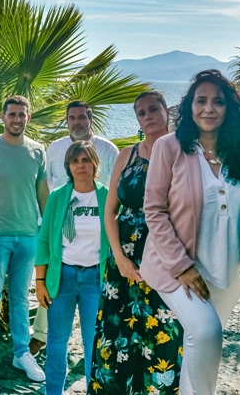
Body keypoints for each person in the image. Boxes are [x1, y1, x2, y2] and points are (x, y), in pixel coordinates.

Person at [141, 70, 240, 395]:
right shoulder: (169, 147)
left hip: (228, 269)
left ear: (229, 109)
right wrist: (182, 266)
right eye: (201, 101)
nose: (209, 108)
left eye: (218, 102)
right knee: (207, 332)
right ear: (190, 106)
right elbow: (154, 209)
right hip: (179, 267)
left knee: (202, 341)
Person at [89, 91, 184, 395]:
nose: (148, 116)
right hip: (124, 258)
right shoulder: (126, 155)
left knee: (161, 332)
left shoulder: (183, 152)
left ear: (167, 112)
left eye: (153, 109)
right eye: (141, 113)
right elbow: (110, 211)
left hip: (166, 255)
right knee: (117, 331)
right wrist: (119, 257)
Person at [32, 101, 119, 356]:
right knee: (56, 323)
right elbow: (46, 185)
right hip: (61, 239)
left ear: (90, 119)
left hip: (96, 246)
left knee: (94, 334)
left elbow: (116, 188)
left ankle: (92, 364)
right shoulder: (55, 149)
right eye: (72, 118)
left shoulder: (108, 150)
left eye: (81, 117)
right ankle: (39, 336)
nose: (77, 122)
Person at [0, 96, 48, 386]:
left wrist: (47, 236)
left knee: (20, 298)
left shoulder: (37, 151)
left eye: (22, 115)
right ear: (2, 117)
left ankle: (21, 352)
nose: (17, 119)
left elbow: (42, 194)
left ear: (28, 118)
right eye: (12, 114)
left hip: (28, 236)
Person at [36, 141, 109, 395]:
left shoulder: (107, 197)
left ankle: (93, 390)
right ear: (68, 165)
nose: (81, 166)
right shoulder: (58, 196)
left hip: (95, 279)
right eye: (75, 161)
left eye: (86, 160)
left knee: (93, 343)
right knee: (57, 341)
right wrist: (40, 282)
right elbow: (44, 240)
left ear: (95, 164)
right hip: (62, 277)